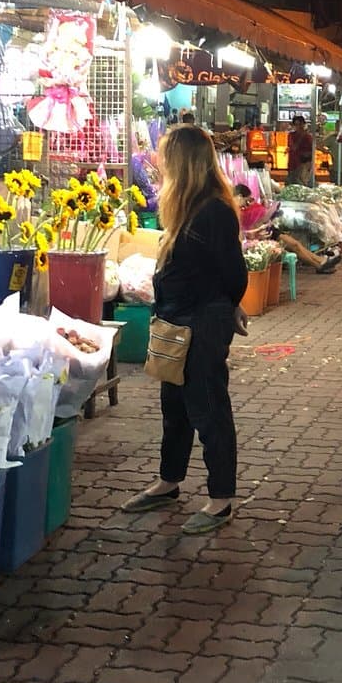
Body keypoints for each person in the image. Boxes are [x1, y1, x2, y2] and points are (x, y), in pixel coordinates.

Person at [121, 124, 247, 534]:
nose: (157, 162)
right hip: (176, 318)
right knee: (174, 408)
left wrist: (229, 308)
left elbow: (234, 273)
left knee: (208, 408)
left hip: (203, 321)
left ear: (183, 161)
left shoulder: (213, 210)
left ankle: (221, 499)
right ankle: (169, 480)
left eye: (164, 155)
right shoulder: (186, 205)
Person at [233, 184, 340, 274]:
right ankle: (319, 264)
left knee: (296, 244)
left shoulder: (241, 209)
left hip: (267, 231)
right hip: (261, 235)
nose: (247, 204)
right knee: (294, 246)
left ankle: (320, 261)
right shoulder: (233, 211)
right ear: (239, 197)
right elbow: (246, 230)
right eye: (247, 201)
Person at [287, 115, 314, 186]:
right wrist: (302, 135)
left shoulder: (308, 137)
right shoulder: (291, 135)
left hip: (303, 165)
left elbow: (311, 150)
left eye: (300, 124)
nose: (298, 127)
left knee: (303, 183)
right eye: (296, 124)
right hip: (293, 164)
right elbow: (294, 147)